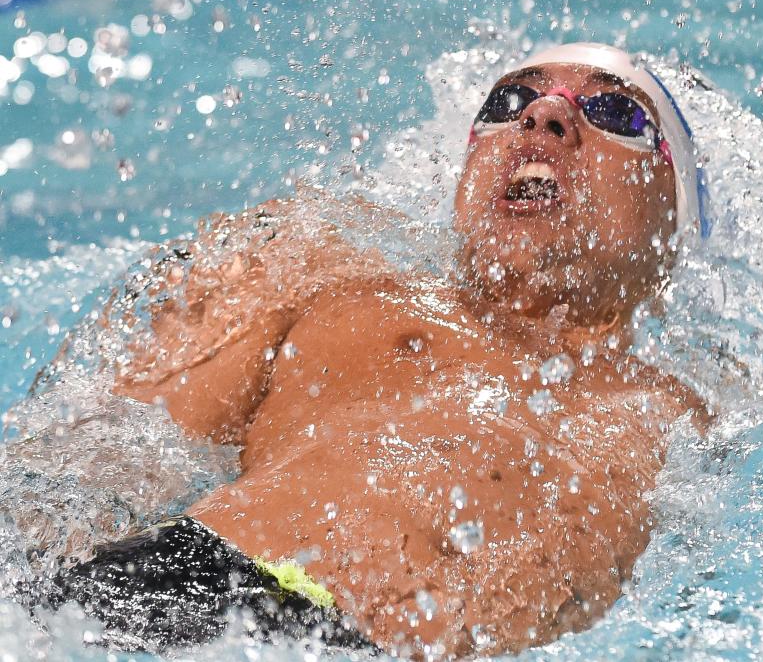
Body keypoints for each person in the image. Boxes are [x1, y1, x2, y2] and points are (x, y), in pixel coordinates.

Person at [49, 43, 712, 659]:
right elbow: (93, 466)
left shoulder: (682, 416)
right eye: (507, 105)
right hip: (191, 584)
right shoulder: (318, 273)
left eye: (613, 110)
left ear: (672, 217)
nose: (543, 116)